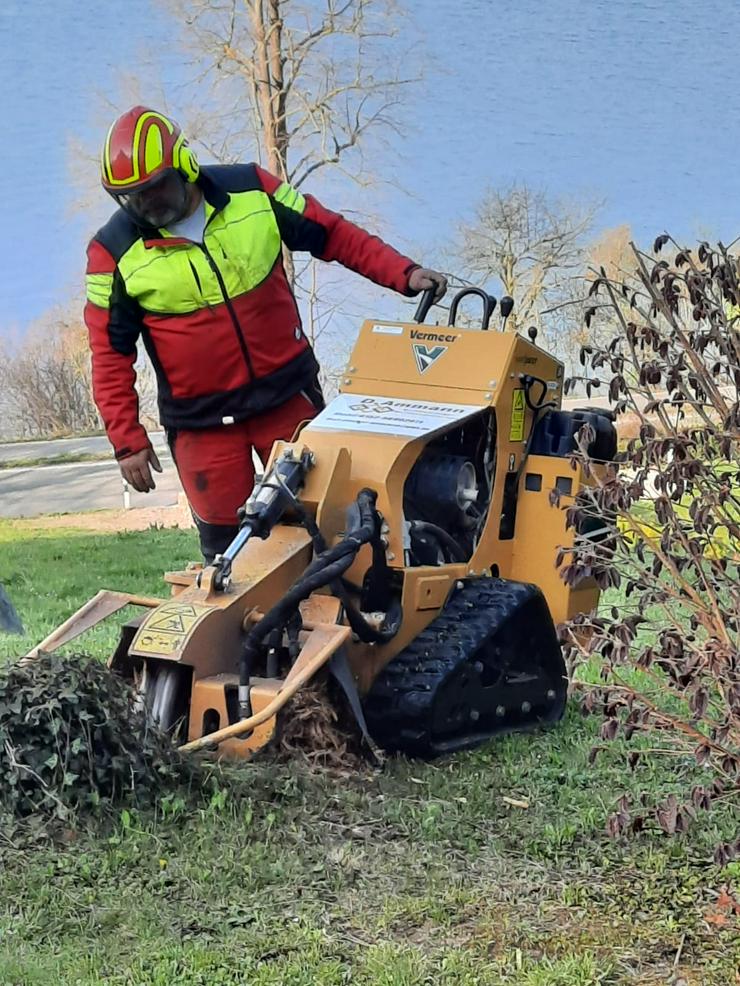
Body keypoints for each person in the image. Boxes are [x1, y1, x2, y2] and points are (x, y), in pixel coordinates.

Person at [84, 106, 447, 562]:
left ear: (184, 166)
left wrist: (404, 273)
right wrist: (128, 442)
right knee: (228, 551)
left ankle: (349, 624)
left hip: (287, 398)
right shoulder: (110, 252)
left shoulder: (252, 189)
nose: (144, 203)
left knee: (327, 524)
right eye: (130, 196)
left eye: (153, 188)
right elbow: (109, 354)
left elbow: (332, 234)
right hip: (202, 427)